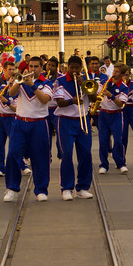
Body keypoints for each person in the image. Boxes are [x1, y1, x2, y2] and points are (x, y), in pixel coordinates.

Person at [3, 56, 53, 202]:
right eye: (30, 66)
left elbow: (44, 99)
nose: (32, 69)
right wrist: (18, 82)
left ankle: (41, 189)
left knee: (40, 157)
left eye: (36, 66)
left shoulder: (47, 83)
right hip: (20, 122)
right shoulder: (22, 80)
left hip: (39, 123)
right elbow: (11, 94)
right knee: (12, 154)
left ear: (42, 68)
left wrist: (32, 85)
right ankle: (12, 188)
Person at [54, 55, 94, 200]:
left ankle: (83, 187)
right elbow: (59, 103)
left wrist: (85, 86)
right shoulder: (60, 81)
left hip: (82, 119)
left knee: (86, 154)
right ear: (67, 67)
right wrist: (72, 101)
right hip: (65, 121)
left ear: (82, 68)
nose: (75, 71)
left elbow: (95, 99)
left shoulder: (87, 80)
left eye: (78, 68)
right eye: (72, 68)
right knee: (67, 154)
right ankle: (67, 187)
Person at [97, 63, 130, 174]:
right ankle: (103, 165)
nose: (113, 73)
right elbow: (97, 94)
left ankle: (120, 163)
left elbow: (120, 104)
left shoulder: (124, 87)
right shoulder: (105, 83)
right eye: (114, 70)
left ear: (121, 74)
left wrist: (111, 95)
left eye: (116, 72)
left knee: (118, 141)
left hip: (116, 115)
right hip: (103, 114)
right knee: (103, 141)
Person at [0, 61, 18, 177]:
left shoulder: (17, 83)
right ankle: (1, 167)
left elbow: (16, 107)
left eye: (13, 69)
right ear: (4, 70)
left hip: (12, 117)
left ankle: (18, 165)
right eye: (10, 69)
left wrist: (7, 100)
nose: (12, 72)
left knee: (15, 143)